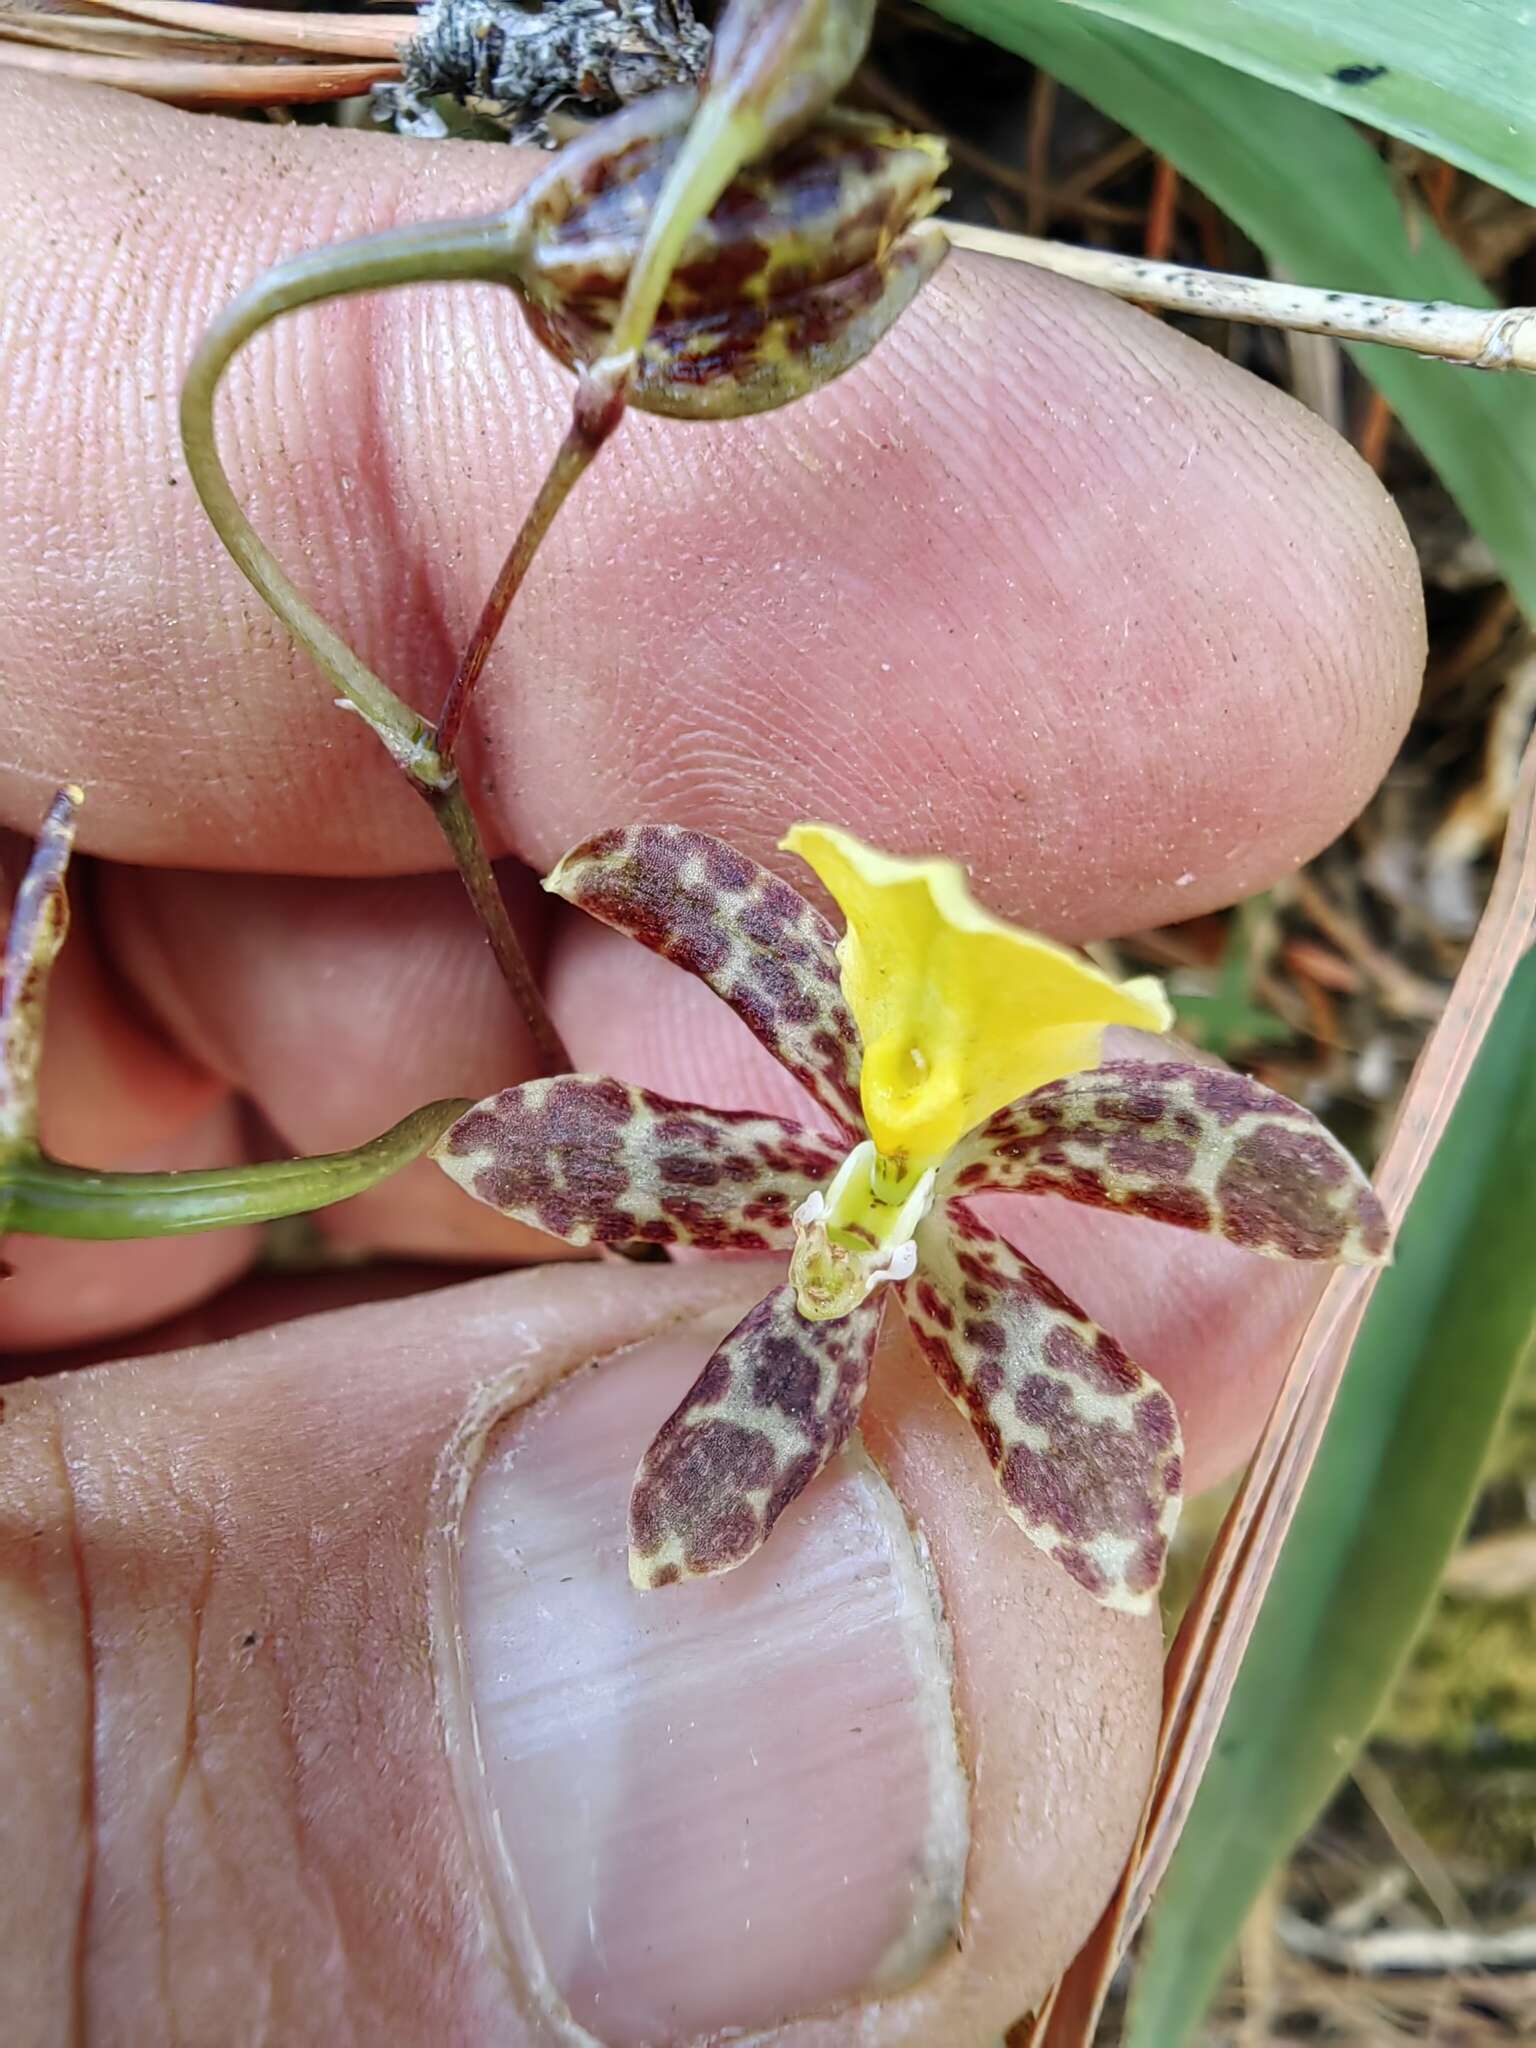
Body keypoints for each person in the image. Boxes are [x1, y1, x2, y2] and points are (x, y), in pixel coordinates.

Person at [0, 72, 1424, 2044]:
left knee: (976, 1480)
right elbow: (613, 925)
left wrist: (896, 1205)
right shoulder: (750, 992)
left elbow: (1169, 1382)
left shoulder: (1026, 1206)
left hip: (889, 1211)